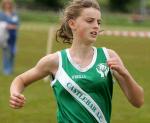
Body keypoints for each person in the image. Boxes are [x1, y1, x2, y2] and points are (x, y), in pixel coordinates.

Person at [9, 0, 144, 123]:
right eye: (90, 21)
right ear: (72, 24)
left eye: (98, 22)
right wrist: (15, 93)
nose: (96, 26)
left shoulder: (109, 56)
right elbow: (21, 80)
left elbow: (138, 101)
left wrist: (125, 74)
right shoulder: (55, 61)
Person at [0, 0, 19, 75]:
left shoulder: (14, 14)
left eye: (9, 4)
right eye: (6, 4)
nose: (8, 5)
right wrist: (8, 26)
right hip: (4, 37)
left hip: (13, 37)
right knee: (6, 53)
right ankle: (6, 70)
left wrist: (10, 26)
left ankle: (10, 69)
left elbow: (16, 25)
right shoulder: (1, 14)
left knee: (12, 53)